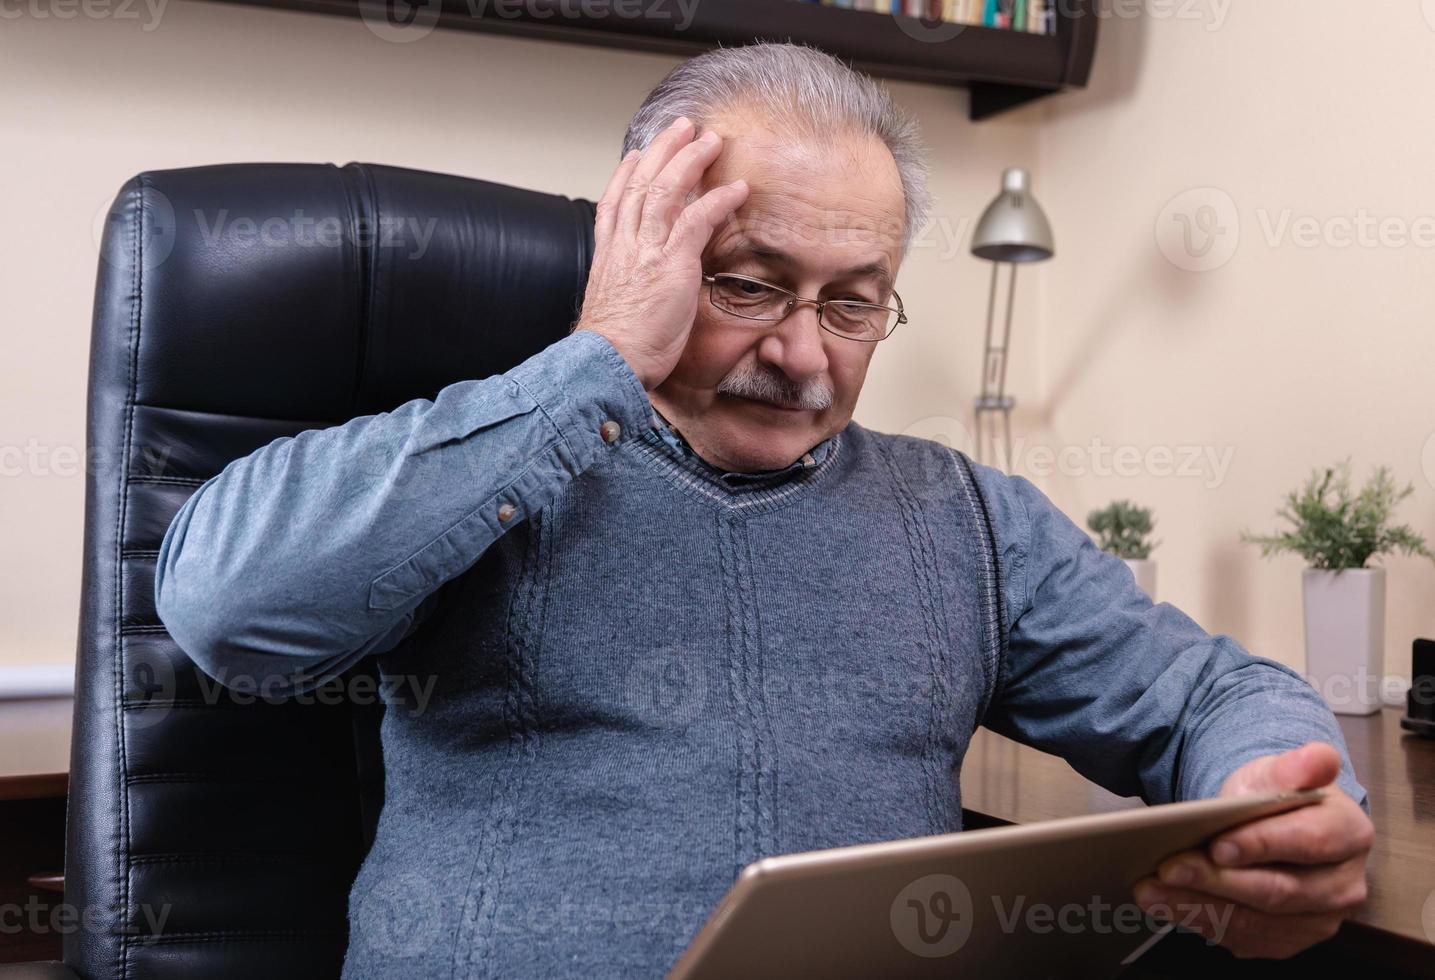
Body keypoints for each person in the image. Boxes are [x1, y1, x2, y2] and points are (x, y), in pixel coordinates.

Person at [154, 41, 1373, 978]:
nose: (802, 355)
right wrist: (596, 360)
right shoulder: (491, 458)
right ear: (646, 244)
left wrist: (1280, 795)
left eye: (854, 303)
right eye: (748, 284)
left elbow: (1211, 694)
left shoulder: (961, 517)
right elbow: (227, 609)